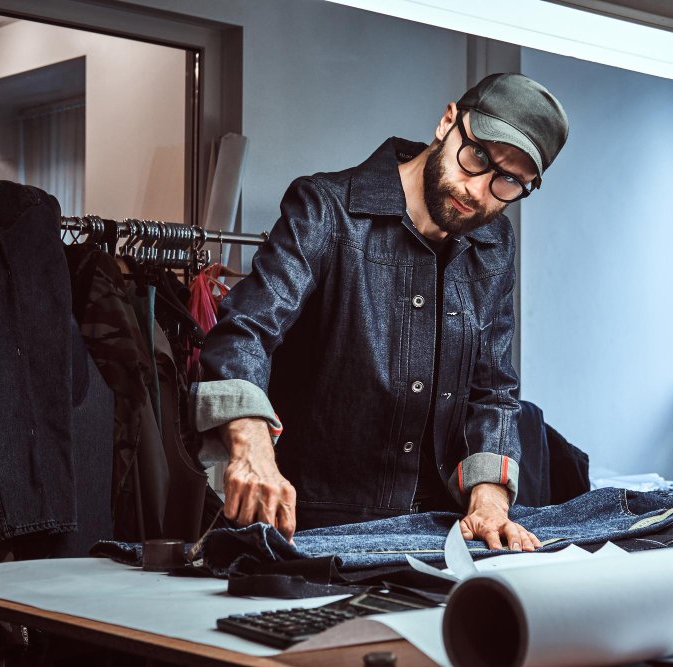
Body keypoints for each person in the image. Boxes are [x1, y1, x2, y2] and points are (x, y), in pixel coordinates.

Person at [195, 73, 569, 552]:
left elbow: (493, 389)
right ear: (448, 121)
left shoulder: (494, 244)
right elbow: (244, 333)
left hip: (441, 533)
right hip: (313, 528)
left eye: (509, 180)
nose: (479, 191)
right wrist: (252, 450)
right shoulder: (324, 209)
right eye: (477, 156)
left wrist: (489, 502)